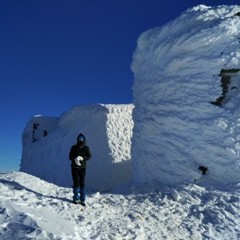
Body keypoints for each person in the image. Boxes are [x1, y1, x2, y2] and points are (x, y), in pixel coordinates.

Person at [69, 133, 91, 206]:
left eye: (82, 139)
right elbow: (70, 157)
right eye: (79, 139)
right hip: (74, 168)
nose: (81, 141)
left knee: (82, 183)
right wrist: (75, 158)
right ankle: (76, 198)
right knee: (76, 183)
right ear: (77, 140)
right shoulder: (74, 147)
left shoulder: (86, 148)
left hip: (82, 168)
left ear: (84, 140)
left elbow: (89, 156)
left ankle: (83, 199)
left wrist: (83, 158)